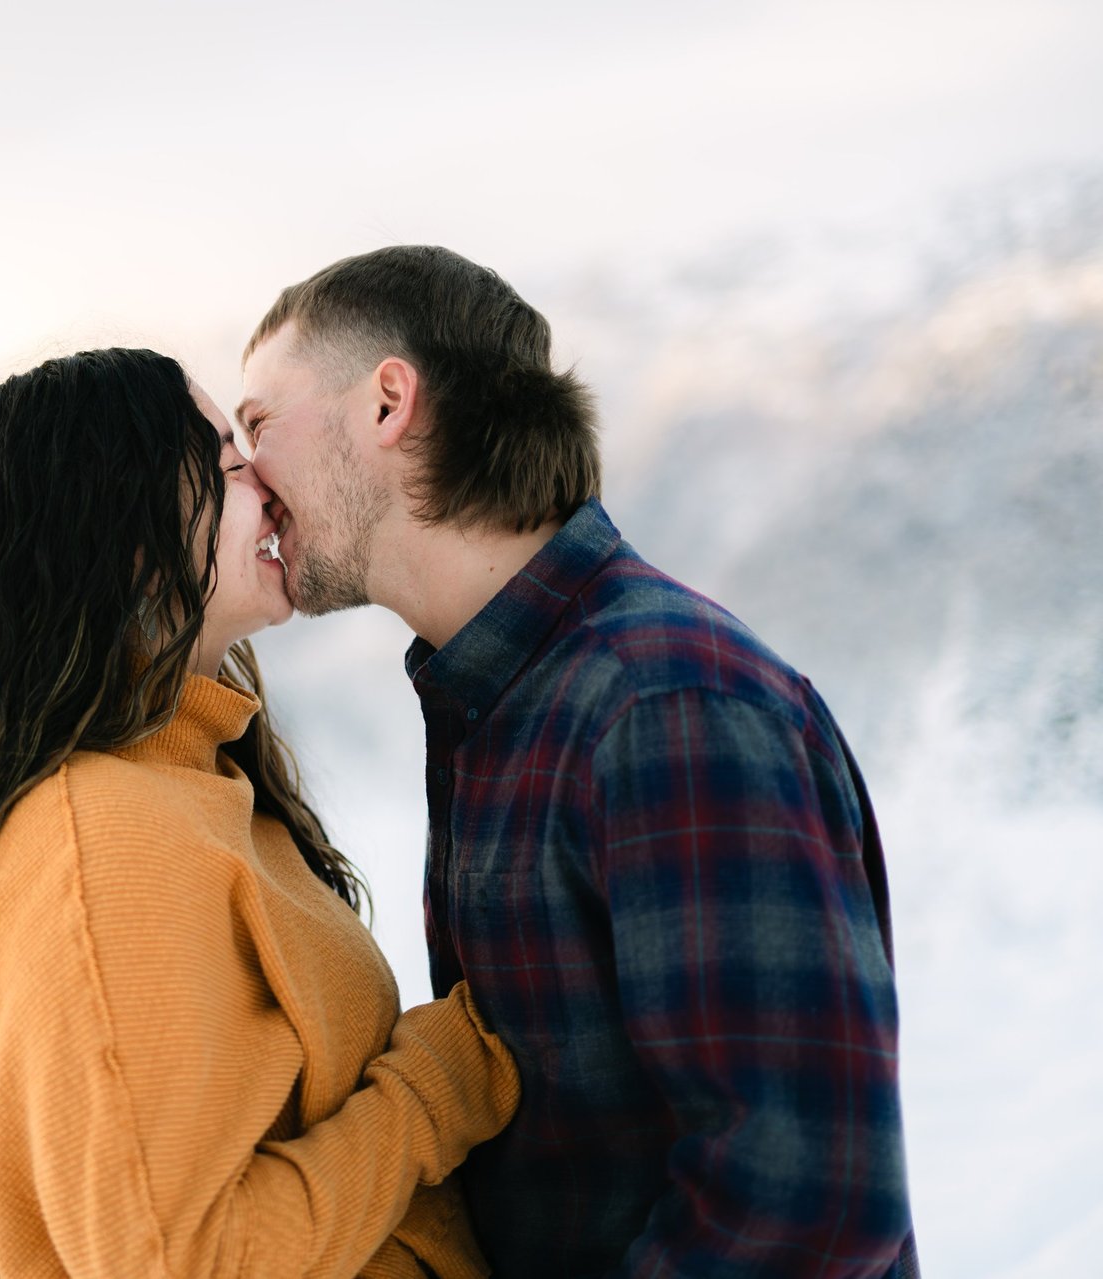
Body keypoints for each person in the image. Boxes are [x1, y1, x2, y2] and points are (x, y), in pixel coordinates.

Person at [237, 247, 919, 1278]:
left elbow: (804, 1201)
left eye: (256, 427)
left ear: (387, 403)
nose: (247, 478)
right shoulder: (503, 701)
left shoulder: (666, 704)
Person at [0, 347, 520, 1278]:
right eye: (229, 466)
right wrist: (432, 1092)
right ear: (131, 542)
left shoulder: (197, 787)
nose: (269, 489)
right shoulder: (101, 838)